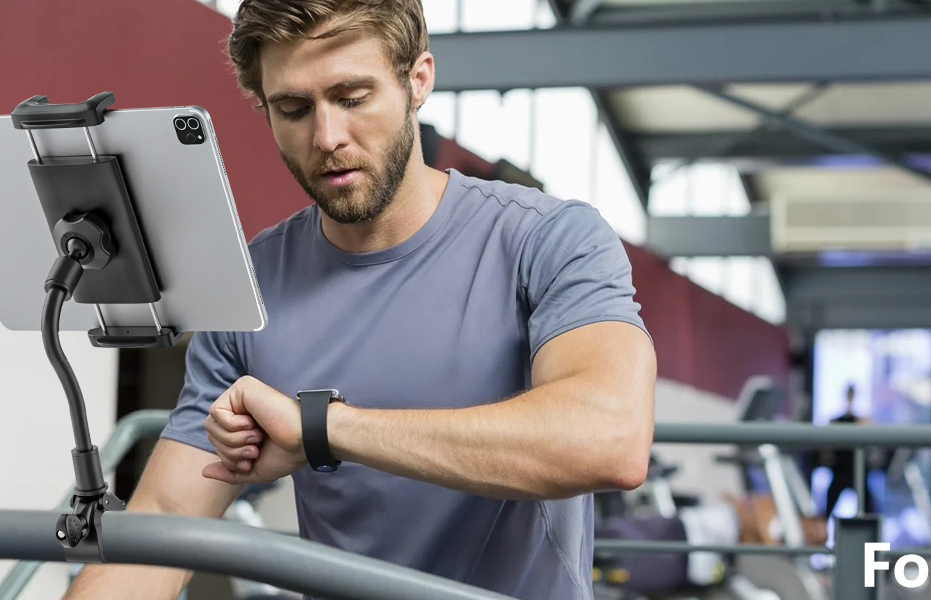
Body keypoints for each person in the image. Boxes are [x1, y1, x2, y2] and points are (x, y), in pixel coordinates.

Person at [63, 1, 657, 598]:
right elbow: (166, 520)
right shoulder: (254, 283)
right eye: (293, 108)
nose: (327, 137)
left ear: (417, 79)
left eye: (352, 97)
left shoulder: (548, 240)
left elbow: (609, 440)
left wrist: (320, 428)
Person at [823, 385, 876, 516]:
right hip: (840, 470)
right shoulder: (835, 422)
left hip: (858, 471)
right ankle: (821, 532)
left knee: (869, 509)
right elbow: (827, 451)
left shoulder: (863, 422)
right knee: (827, 509)